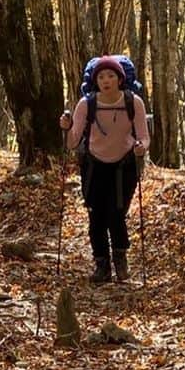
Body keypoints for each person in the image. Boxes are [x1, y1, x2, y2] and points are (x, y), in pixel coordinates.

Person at [59, 57, 149, 283]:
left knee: (117, 213)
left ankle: (120, 260)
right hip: (94, 165)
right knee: (96, 216)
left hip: (123, 166)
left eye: (110, 76)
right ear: (95, 81)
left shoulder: (133, 102)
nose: (106, 80)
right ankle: (102, 265)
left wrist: (141, 148)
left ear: (120, 79)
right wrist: (66, 128)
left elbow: (144, 136)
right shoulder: (86, 104)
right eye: (100, 77)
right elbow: (71, 143)